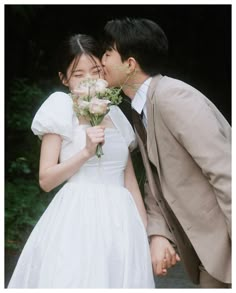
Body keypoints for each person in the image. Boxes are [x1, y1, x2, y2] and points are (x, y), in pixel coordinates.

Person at [7, 33, 155, 288]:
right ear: (64, 79)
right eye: (78, 74)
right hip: (77, 218)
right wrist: (85, 152)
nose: (89, 79)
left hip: (121, 220)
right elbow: (46, 179)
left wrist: (145, 234)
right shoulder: (60, 108)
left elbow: (129, 179)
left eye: (95, 70)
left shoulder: (117, 115)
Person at [101, 17, 231, 288]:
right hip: (208, 252)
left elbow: (226, 170)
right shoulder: (142, 106)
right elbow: (154, 178)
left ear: (130, 64)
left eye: (107, 52)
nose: (101, 61)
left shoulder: (173, 97)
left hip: (225, 243)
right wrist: (158, 233)